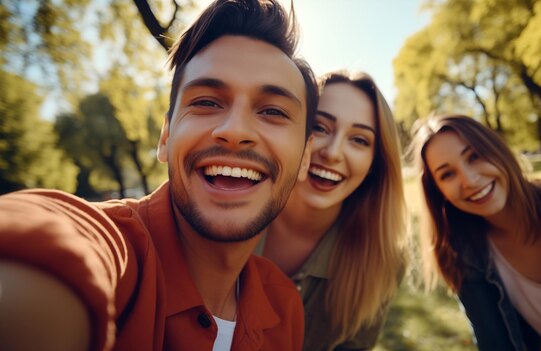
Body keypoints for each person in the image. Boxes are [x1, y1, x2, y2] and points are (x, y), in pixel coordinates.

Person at [0, 0, 319, 350]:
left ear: (305, 157)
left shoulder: (285, 306)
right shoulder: (114, 248)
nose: (235, 130)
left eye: (273, 111)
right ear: (166, 138)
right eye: (206, 102)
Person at [410, 113, 541, 350]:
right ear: (438, 192)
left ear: (497, 150)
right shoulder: (466, 257)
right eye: (447, 174)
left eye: (474, 156)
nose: (469, 180)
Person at [257, 70, 410, 350]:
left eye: (359, 140)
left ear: (375, 164)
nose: (333, 153)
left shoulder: (382, 260)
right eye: (320, 127)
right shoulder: (228, 212)